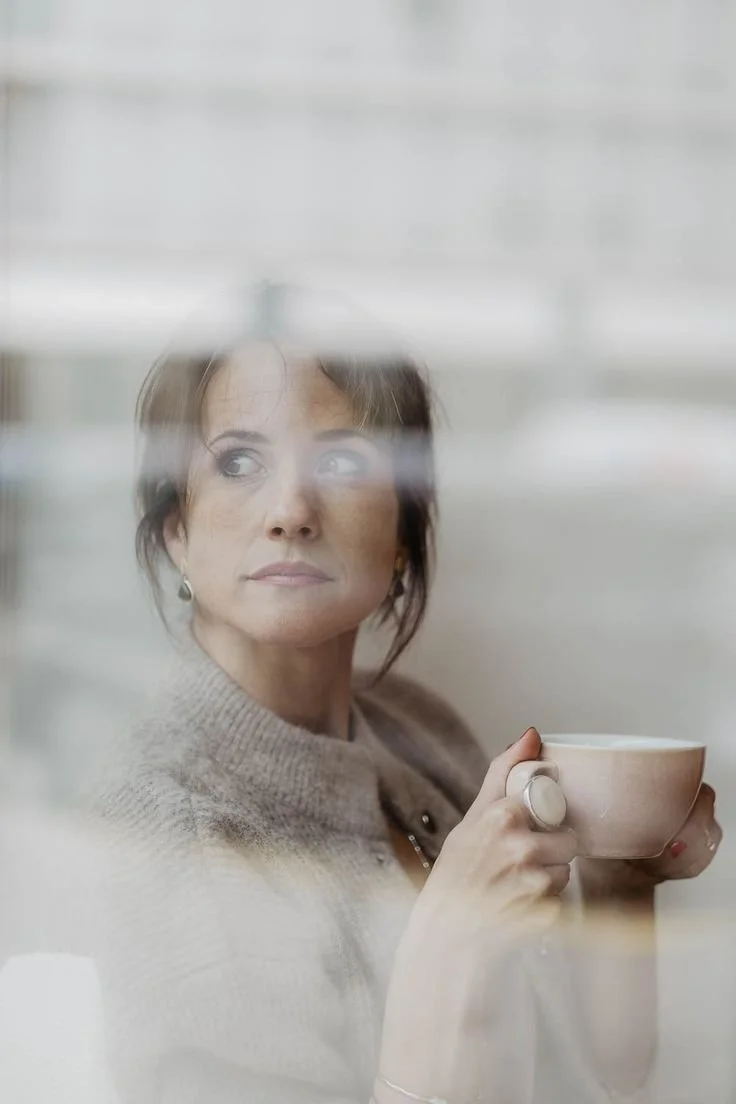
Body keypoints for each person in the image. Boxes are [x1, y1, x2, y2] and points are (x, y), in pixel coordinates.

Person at [89, 283, 720, 1104]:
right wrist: (448, 952)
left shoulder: (421, 729)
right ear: (177, 529)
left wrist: (622, 884)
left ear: (400, 538)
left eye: (344, 461)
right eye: (239, 461)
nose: (290, 510)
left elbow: (597, 1074)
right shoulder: (163, 823)